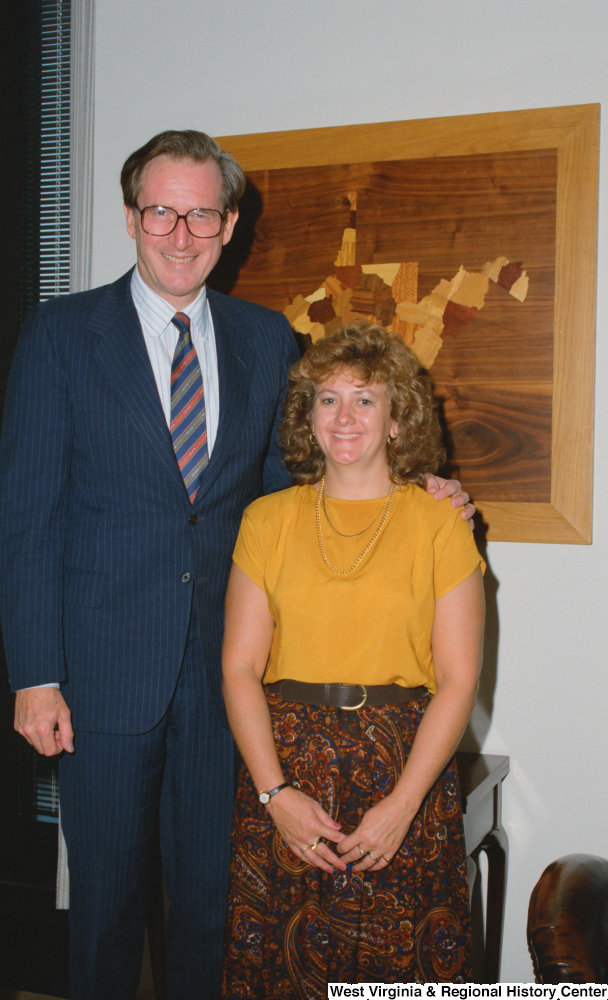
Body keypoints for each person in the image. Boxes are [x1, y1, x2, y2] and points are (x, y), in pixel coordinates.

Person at [0, 131, 474, 1000]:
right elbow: (28, 515)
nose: (181, 234)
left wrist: (421, 483)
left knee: (214, 910)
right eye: (161, 212)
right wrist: (35, 674)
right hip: (99, 678)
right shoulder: (62, 334)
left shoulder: (265, 339)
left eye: (201, 214)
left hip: (231, 681)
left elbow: (303, 481)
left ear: (229, 223)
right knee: (104, 905)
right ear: (133, 217)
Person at [220, 322, 485, 994]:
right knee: (281, 969)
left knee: (398, 970)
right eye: (327, 398)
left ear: (398, 420)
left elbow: (457, 679)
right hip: (286, 769)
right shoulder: (266, 520)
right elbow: (239, 668)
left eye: (365, 400)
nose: (344, 416)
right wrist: (273, 792)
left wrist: (400, 807)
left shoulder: (438, 523)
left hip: (403, 767)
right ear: (307, 418)